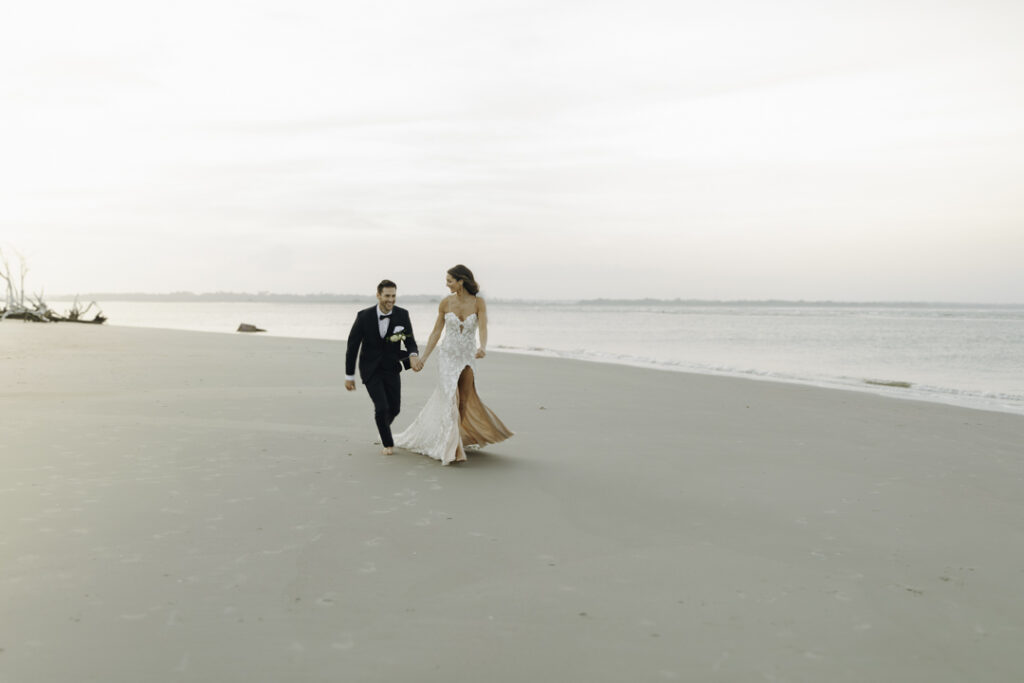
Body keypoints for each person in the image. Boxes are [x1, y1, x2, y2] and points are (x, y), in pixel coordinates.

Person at [394, 265, 513, 465]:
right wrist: (424, 358)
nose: (446, 284)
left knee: (464, 400)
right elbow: (436, 332)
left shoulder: (479, 303)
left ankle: (454, 438)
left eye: (450, 280)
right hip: (447, 356)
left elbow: (483, 327)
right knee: (450, 396)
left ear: (461, 281)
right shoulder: (445, 303)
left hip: (467, 356)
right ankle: (451, 446)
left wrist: (483, 347)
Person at [345, 280, 420, 455]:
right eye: (387, 296)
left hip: (392, 367)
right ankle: (388, 444)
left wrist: (414, 355)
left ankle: (382, 426)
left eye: (393, 296)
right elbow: (352, 347)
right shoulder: (363, 316)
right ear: (378, 295)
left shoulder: (403, 315)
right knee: (382, 407)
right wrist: (349, 376)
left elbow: (410, 342)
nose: (391, 299)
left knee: (395, 408)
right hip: (370, 369)